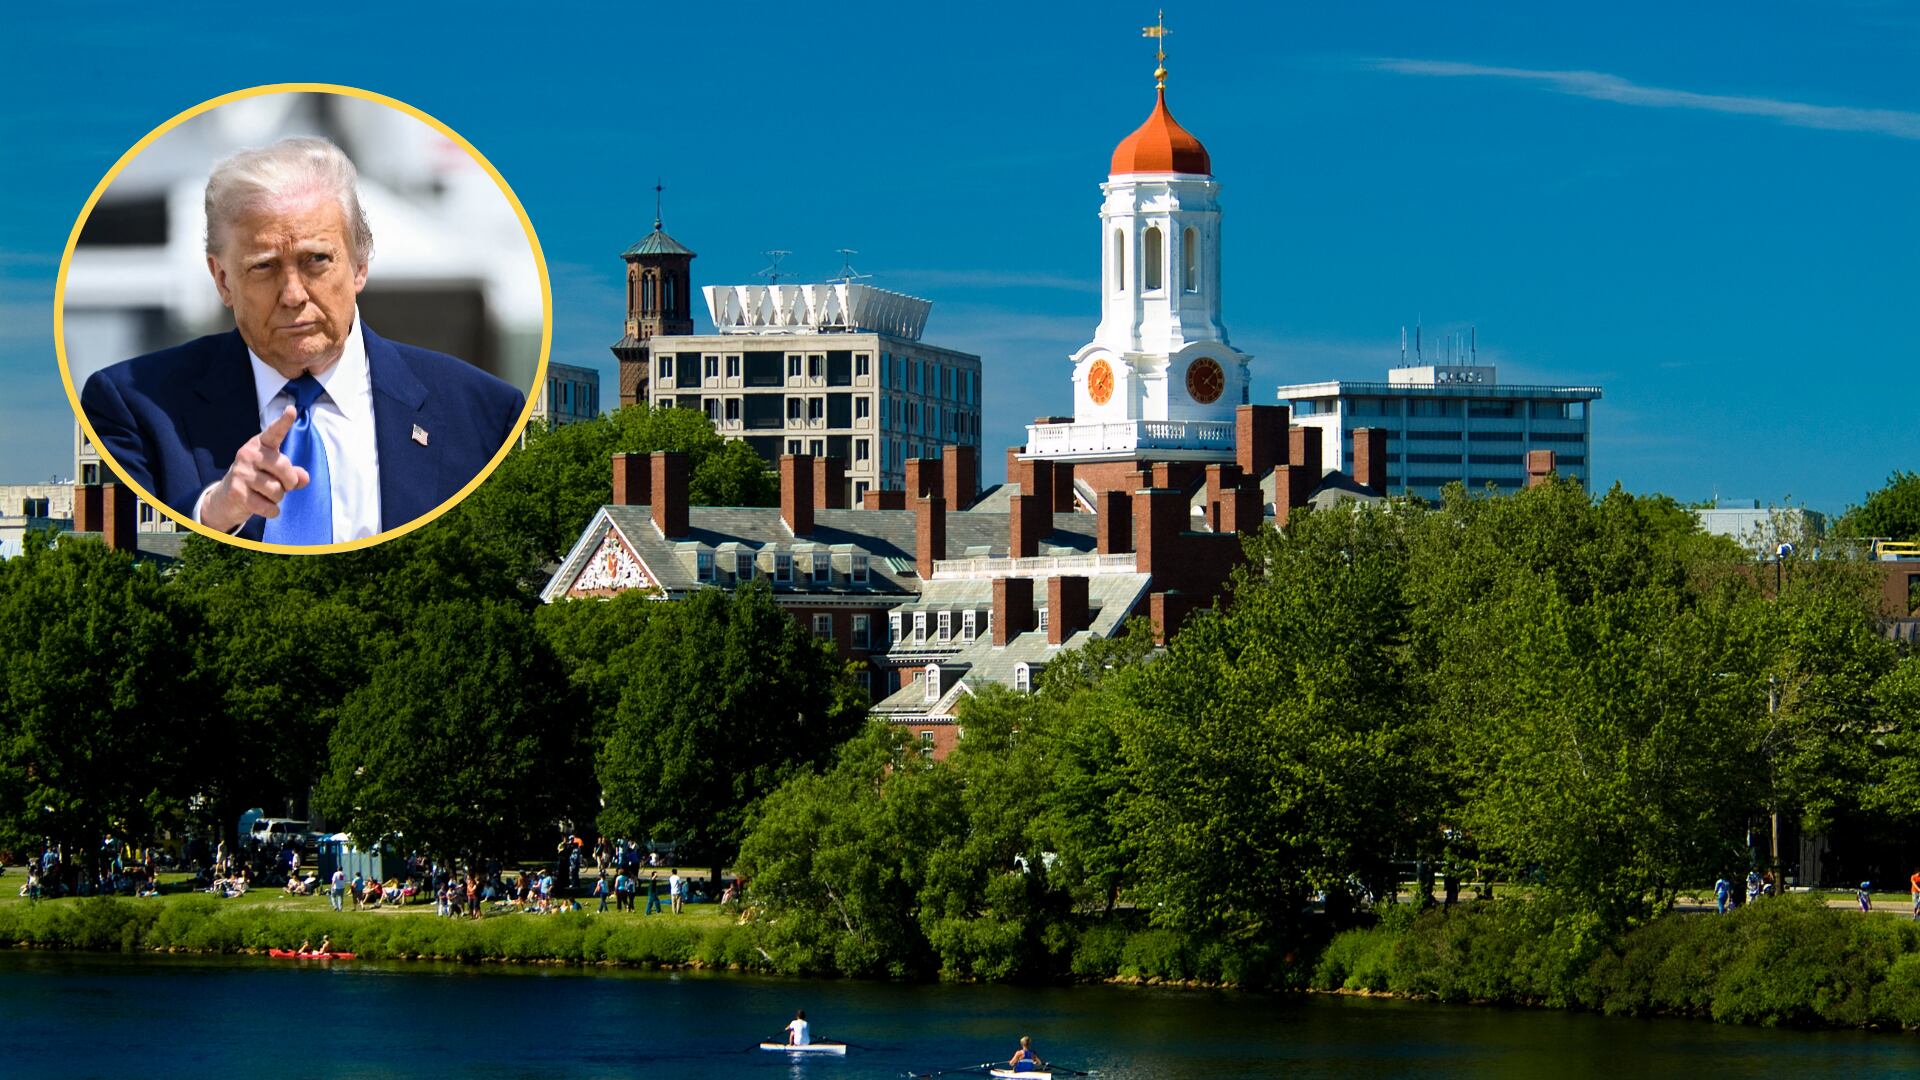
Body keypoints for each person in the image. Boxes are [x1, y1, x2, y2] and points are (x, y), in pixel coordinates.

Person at [78, 136, 526, 545]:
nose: (293, 295)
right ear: (222, 279)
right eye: (264, 266)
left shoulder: (483, 416)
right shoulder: (132, 407)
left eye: (316, 260)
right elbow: (125, 544)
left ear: (359, 265)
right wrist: (214, 512)